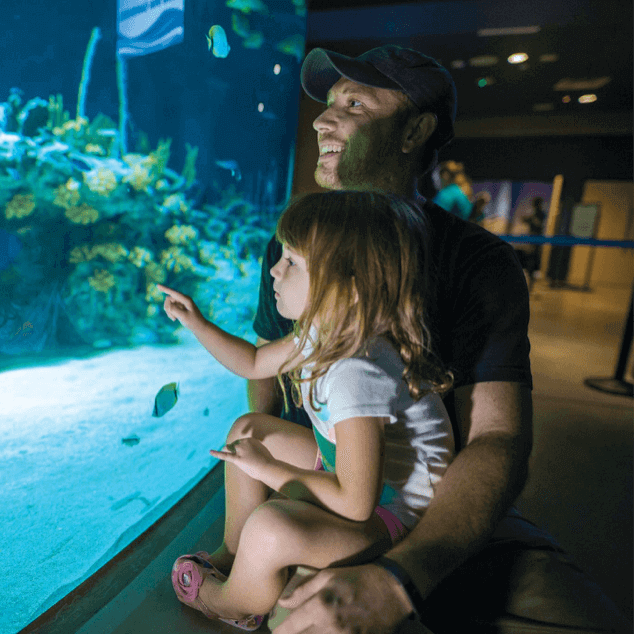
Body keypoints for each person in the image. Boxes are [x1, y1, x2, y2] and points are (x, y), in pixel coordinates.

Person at [249, 45, 632, 633]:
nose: (324, 120)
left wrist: (402, 577)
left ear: (416, 131)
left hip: (438, 502)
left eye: (353, 103)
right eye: (327, 104)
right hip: (325, 491)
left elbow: (498, 439)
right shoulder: (291, 245)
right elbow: (265, 380)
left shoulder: (479, 263)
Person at [160, 192, 455, 630]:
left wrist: (269, 471)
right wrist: (197, 323)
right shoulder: (325, 330)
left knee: (272, 526)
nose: (275, 269)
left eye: (293, 262)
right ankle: (234, 553)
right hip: (351, 475)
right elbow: (255, 363)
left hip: (392, 514)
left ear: (349, 288)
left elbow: (356, 505)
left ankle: (230, 601)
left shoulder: (355, 373)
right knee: (250, 431)